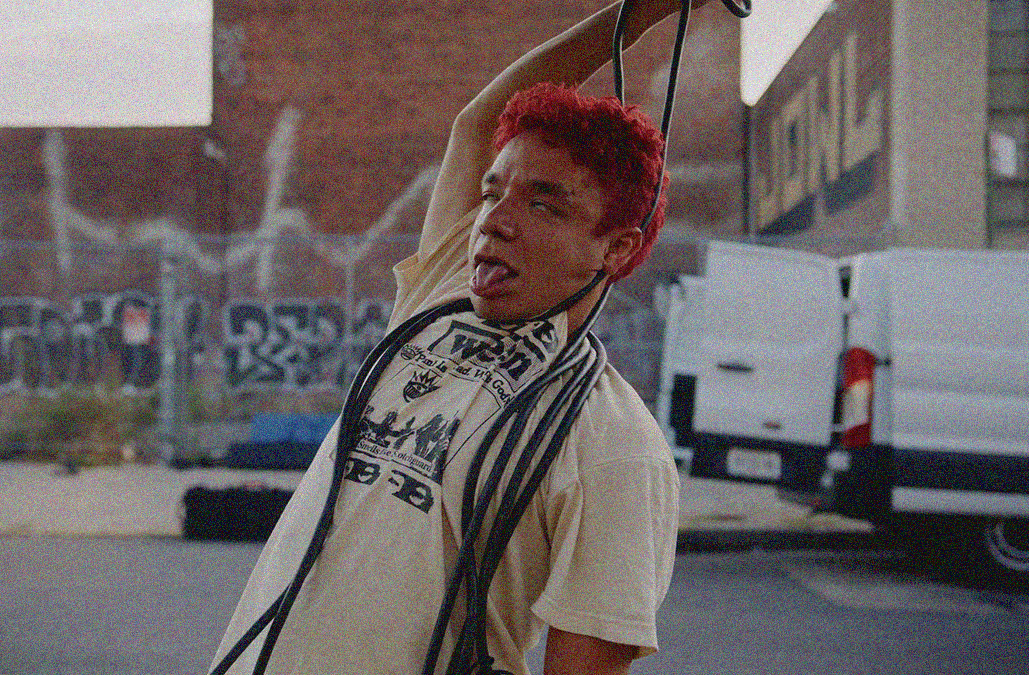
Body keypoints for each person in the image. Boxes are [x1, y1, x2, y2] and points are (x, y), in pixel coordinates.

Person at [211, 1, 709, 673]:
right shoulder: (440, 297)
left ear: (616, 249)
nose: (493, 222)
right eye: (491, 192)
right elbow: (479, 120)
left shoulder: (617, 450)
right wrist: (638, 14)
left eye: (542, 203)